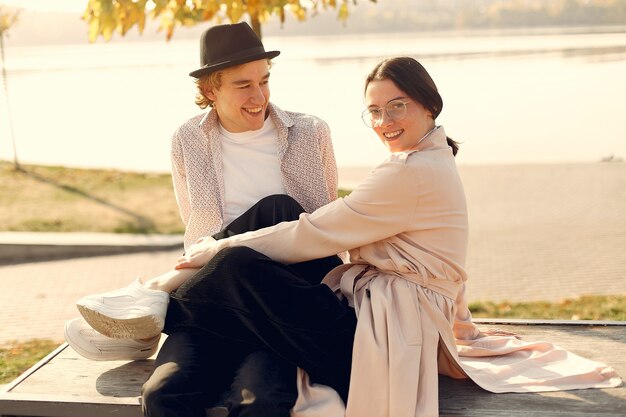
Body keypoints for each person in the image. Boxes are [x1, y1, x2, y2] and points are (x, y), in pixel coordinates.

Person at [73, 57, 621, 417]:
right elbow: (317, 225)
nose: (384, 121)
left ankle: (153, 302)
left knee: (243, 257)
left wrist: (217, 249)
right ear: (211, 91)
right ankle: (154, 299)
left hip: (383, 339)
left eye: (398, 106)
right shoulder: (423, 161)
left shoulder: (407, 173)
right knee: (271, 213)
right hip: (373, 315)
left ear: (430, 105)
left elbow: (313, 232)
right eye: (376, 111)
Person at [64, 21, 342, 417]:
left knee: (261, 398)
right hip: (214, 299)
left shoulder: (310, 132)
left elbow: (325, 225)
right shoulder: (187, 140)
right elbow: (195, 225)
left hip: (283, 297)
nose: (259, 96)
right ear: (211, 90)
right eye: (243, 85)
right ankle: (157, 303)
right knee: (163, 396)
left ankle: (154, 294)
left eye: (264, 81)